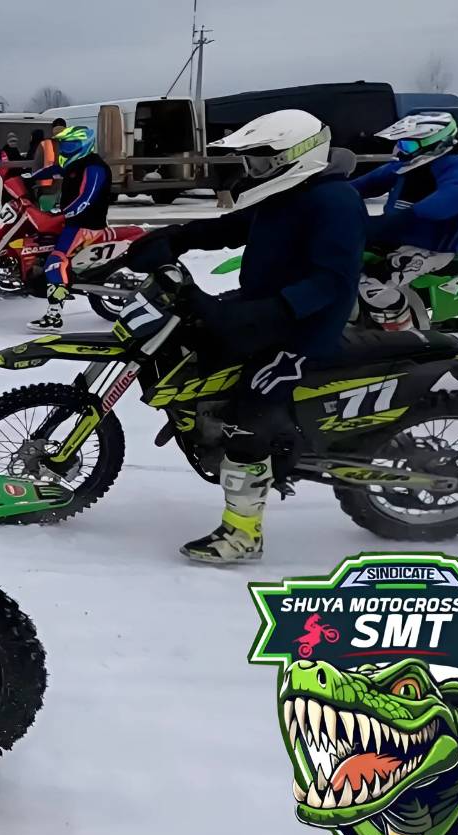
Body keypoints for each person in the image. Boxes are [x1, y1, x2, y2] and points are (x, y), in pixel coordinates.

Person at [115, 109, 365, 564]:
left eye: (262, 162)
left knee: (248, 411)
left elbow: (331, 281)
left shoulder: (334, 202)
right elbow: (235, 227)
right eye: (251, 162)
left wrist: (264, 314)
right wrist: (177, 237)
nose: (254, 171)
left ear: (299, 156)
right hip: (264, 307)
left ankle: (243, 533)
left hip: (303, 330)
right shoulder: (289, 191)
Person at [350, 113, 458, 329]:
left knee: (372, 284)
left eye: (406, 144)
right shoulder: (406, 166)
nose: (398, 150)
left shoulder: (456, 166)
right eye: (398, 143)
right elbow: (366, 184)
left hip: (430, 248)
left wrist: (405, 218)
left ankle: (405, 334)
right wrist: (326, 194)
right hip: (392, 238)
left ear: (434, 143)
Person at [19, 125, 113, 332]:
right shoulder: (75, 164)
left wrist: (64, 214)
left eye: (70, 144)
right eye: (63, 145)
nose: (65, 149)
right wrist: (27, 178)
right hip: (72, 221)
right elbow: (54, 170)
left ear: (83, 144)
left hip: (86, 225)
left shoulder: (94, 168)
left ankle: (54, 316)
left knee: (55, 262)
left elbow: (86, 198)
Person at [31, 123, 60, 210]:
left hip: (45, 188)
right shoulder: (71, 144)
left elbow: (36, 167)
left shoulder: (44, 144)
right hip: (61, 186)